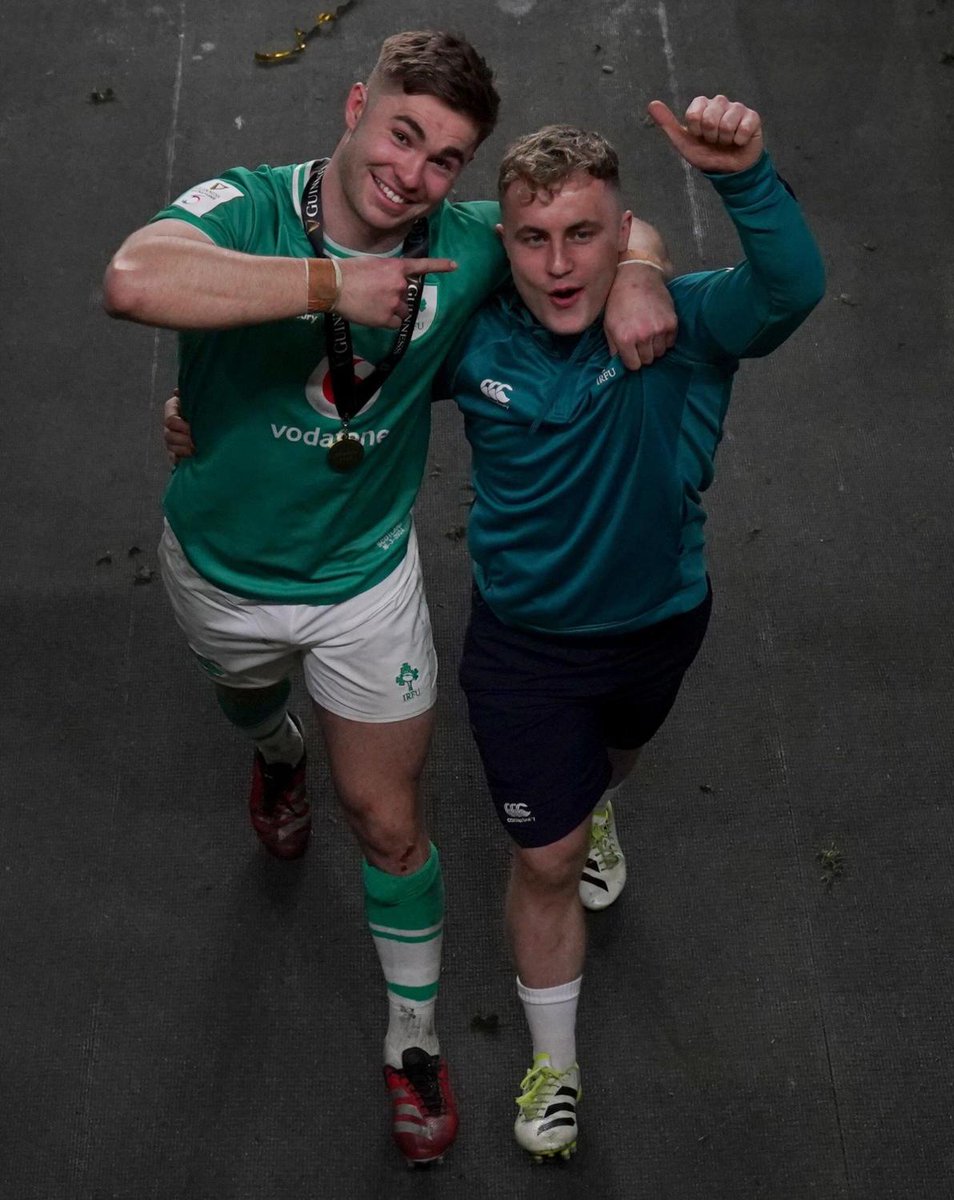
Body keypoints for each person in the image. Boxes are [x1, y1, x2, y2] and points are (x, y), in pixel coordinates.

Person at [103, 29, 677, 1165]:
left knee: (388, 820)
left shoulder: (460, 245)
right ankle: (274, 755)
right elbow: (133, 277)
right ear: (358, 103)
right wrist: (334, 284)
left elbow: (616, 222)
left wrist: (648, 269)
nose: (413, 173)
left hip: (365, 585)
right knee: (249, 704)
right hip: (221, 570)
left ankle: (412, 1039)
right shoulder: (246, 202)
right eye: (403, 134)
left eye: (444, 159)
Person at [439, 98, 825, 1159]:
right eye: (532, 237)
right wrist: (207, 414)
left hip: (661, 624)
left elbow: (794, 288)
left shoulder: (687, 323)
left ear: (623, 233)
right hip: (522, 648)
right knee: (547, 856)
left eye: (585, 234)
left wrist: (745, 174)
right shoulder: (473, 342)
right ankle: (555, 1067)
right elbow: (356, 392)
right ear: (504, 242)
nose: (560, 263)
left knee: (616, 764)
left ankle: (599, 798)